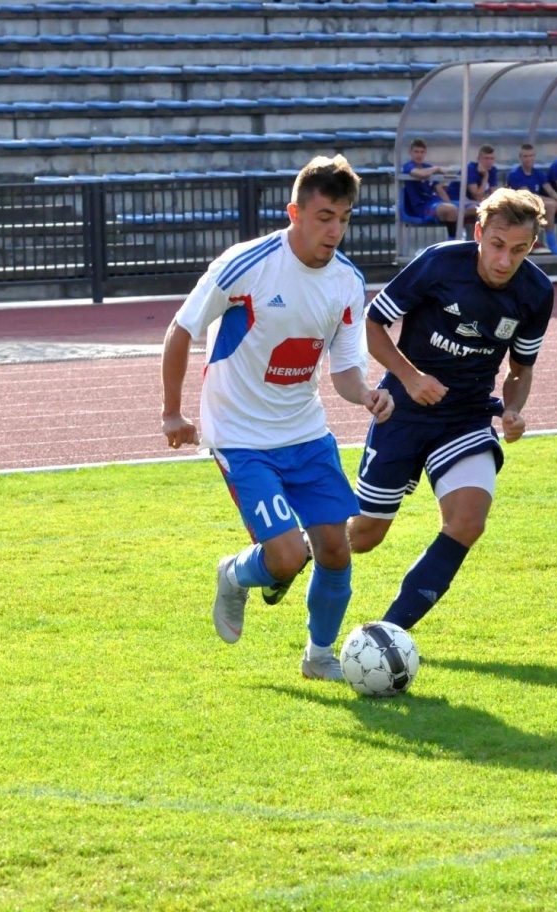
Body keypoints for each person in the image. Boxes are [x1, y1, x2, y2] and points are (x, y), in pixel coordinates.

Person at [160, 154, 395, 680]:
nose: (335, 230)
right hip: (239, 434)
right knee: (287, 556)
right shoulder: (247, 264)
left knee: (335, 549)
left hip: (305, 431)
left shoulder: (347, 283)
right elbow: (181, 329)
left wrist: (367, 395)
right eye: (324, 217)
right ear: (295, 212)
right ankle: (234, 574)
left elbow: (345, 371)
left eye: (344, 218)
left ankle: (319, 658)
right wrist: (172, 413)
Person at [348, 187, 554, 632]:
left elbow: (520, 368)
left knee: (467, 522)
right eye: (497, 245)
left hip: (466, 416)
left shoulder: (536, 292)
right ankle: (292, 553)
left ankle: (388, 635)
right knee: (364, 535)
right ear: (479, 232)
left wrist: (514, 409)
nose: (504, 260)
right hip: (403, 408)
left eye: (518, 250)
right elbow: (373, 323)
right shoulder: (440, 262)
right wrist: (410, 377)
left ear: (531, 247)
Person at [506, 141, 557, 256]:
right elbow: (528, 195)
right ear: (520, 158)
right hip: (520, 207)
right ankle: (553, 244)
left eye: (531, 155)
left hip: (536, 205)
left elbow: (550, 190)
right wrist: (552, 202)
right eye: (525, 156)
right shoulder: (515, 174)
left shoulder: (538, 173)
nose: (528, 159)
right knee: (550, 205)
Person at [400, 138, 475, 234]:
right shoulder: (409, 166)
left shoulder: (428, 166)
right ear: (410, 152)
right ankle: (452, 243)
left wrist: (450, 202)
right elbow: (421, 174)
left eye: (422, 152)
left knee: (476, 207)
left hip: (436, 202)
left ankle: (476, 243)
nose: (419, 155)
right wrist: (436, 168)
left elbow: (440, 190)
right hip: (423, 208)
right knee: (451, 210)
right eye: (416, 152)